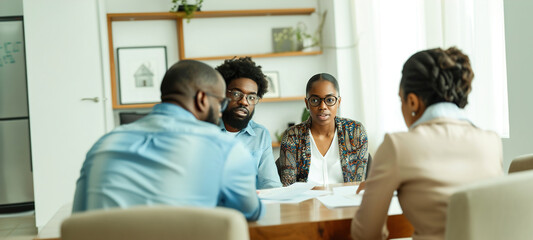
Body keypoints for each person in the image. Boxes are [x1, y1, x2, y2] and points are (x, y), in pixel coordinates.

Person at [72, 60, 263, 221]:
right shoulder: (225, 148)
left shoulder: (103, 144)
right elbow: (252, 212)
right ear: (202, 99)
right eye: (220, 102)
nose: (221, 110)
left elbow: (79, 220)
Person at [351, 47, 503, 239]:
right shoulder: (490, 141)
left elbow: (366, 234)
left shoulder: (397, 146)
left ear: (413, 102)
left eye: (401, 100)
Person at [277, 73, 368, 186]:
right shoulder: (292, 136)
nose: (323, 106)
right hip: (305, 203)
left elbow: (358, 184)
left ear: (338, 102)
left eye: (329, 100)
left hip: (345, 202)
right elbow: (288, 187)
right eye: (315, 100)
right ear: (307, 103)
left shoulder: (355, 132)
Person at [215, 57, 282, 189]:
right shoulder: (205, 130)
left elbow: (271, 184)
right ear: (222, 94)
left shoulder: (260, 134)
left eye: (251, 97)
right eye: (236, 94)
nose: (244, 102)